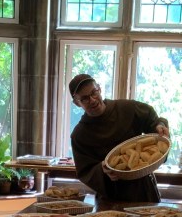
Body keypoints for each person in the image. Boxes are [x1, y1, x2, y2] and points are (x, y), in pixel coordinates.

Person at [69, 74, 170, 203]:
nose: (92, 100)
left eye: (94, 92)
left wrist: (160, 125)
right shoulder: (79, 135)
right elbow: (85, 171)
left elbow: (153, 121)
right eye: (84, 98)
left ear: (99, 88)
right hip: (110, 198)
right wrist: (102, 169)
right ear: (77, 103)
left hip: (143, 191)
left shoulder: (127, 109)